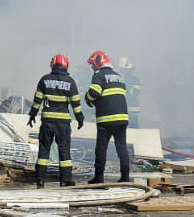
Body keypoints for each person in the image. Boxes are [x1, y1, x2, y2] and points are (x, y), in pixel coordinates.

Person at [27, 53, 84, 188]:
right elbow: (76, 103)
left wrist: (32, 115)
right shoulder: (70, 82)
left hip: (47, 122)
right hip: (63, 123)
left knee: (44, 152)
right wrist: (80, 118)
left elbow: (37, 101)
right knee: (64, 151)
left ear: (52, 64)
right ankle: (65, 180)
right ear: (66, 65)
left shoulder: (44, 80)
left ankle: (40, 180)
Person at [84, 50, 131, 183]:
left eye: (93, 64)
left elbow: (94, 91)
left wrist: (87, 98)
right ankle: (125, 177)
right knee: (122, 147)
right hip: (122, 118)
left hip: (106, 118)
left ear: (99, 63)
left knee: (101, 148)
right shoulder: (118, 75)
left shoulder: (99, 74)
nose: (92, 67)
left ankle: (99, 178)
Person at [118, 57, 141, 125]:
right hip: (123, 109)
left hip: (132, 109)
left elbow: (135, 93)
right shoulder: (120, 79)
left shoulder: (133, 79)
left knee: (132, 128)